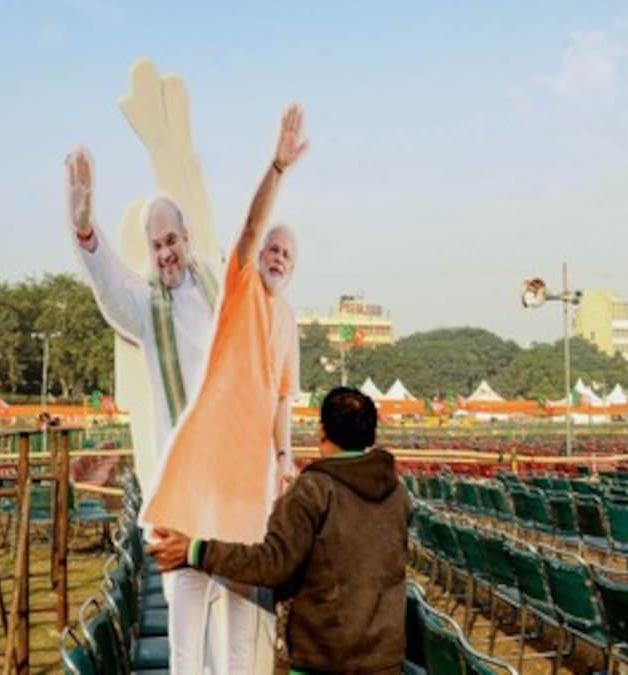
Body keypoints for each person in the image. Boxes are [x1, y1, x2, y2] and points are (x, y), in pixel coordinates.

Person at [139, 103, 308, 674]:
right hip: (199, 485)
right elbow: (253, 225)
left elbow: (283, 399)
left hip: (246, 497)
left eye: (288, 253)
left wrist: (285, 458)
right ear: (257, 258)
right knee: (187, 648)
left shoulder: (287, 323)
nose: (278, 257)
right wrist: (278, 169)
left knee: (239, 647)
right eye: (272, 249)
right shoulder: (240, 291)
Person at [65, 147, 221, 673]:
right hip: (182, 495)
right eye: (155, 246)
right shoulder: (148, 308)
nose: (165, 254)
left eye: (171, 240)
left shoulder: (220, 292)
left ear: (187, 238)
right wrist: (86, 229)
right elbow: (110, 285)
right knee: (186, 635)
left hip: (233, 489)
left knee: (233, 636)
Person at [147, 387, 412, 675]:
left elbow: (273, 565)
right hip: (383, 659)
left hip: (325, 661)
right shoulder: (397, 493)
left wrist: (195, 550)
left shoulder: (313, 491)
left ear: (321, 431)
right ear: (371, 434)